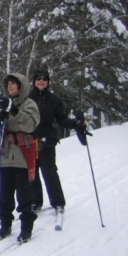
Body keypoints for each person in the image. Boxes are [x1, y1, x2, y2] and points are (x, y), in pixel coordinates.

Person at [0, 73, 40, 243]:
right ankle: (5, 224)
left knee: (24, 193)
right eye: (9, 84)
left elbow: (30, 125)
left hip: (22, 154)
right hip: (5, 154)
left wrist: (16, 112)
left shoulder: (29, 104)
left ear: (22, 86)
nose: (10, 87)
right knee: (5, 192)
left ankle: (26, 226)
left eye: (14, 84)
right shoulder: (3, 104)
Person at [28, 69, 82, 212]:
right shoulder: (27, 98)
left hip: (47, 140)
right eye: (38, 78)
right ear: (34, 81)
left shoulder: (54, 99)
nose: (41, 81)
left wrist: (74, 124)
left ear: (48, 82)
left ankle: (58, 202)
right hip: (29, 139)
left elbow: (61, 119)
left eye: (44, 79)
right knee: (31, 173)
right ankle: (35, 201)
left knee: (50, 171)